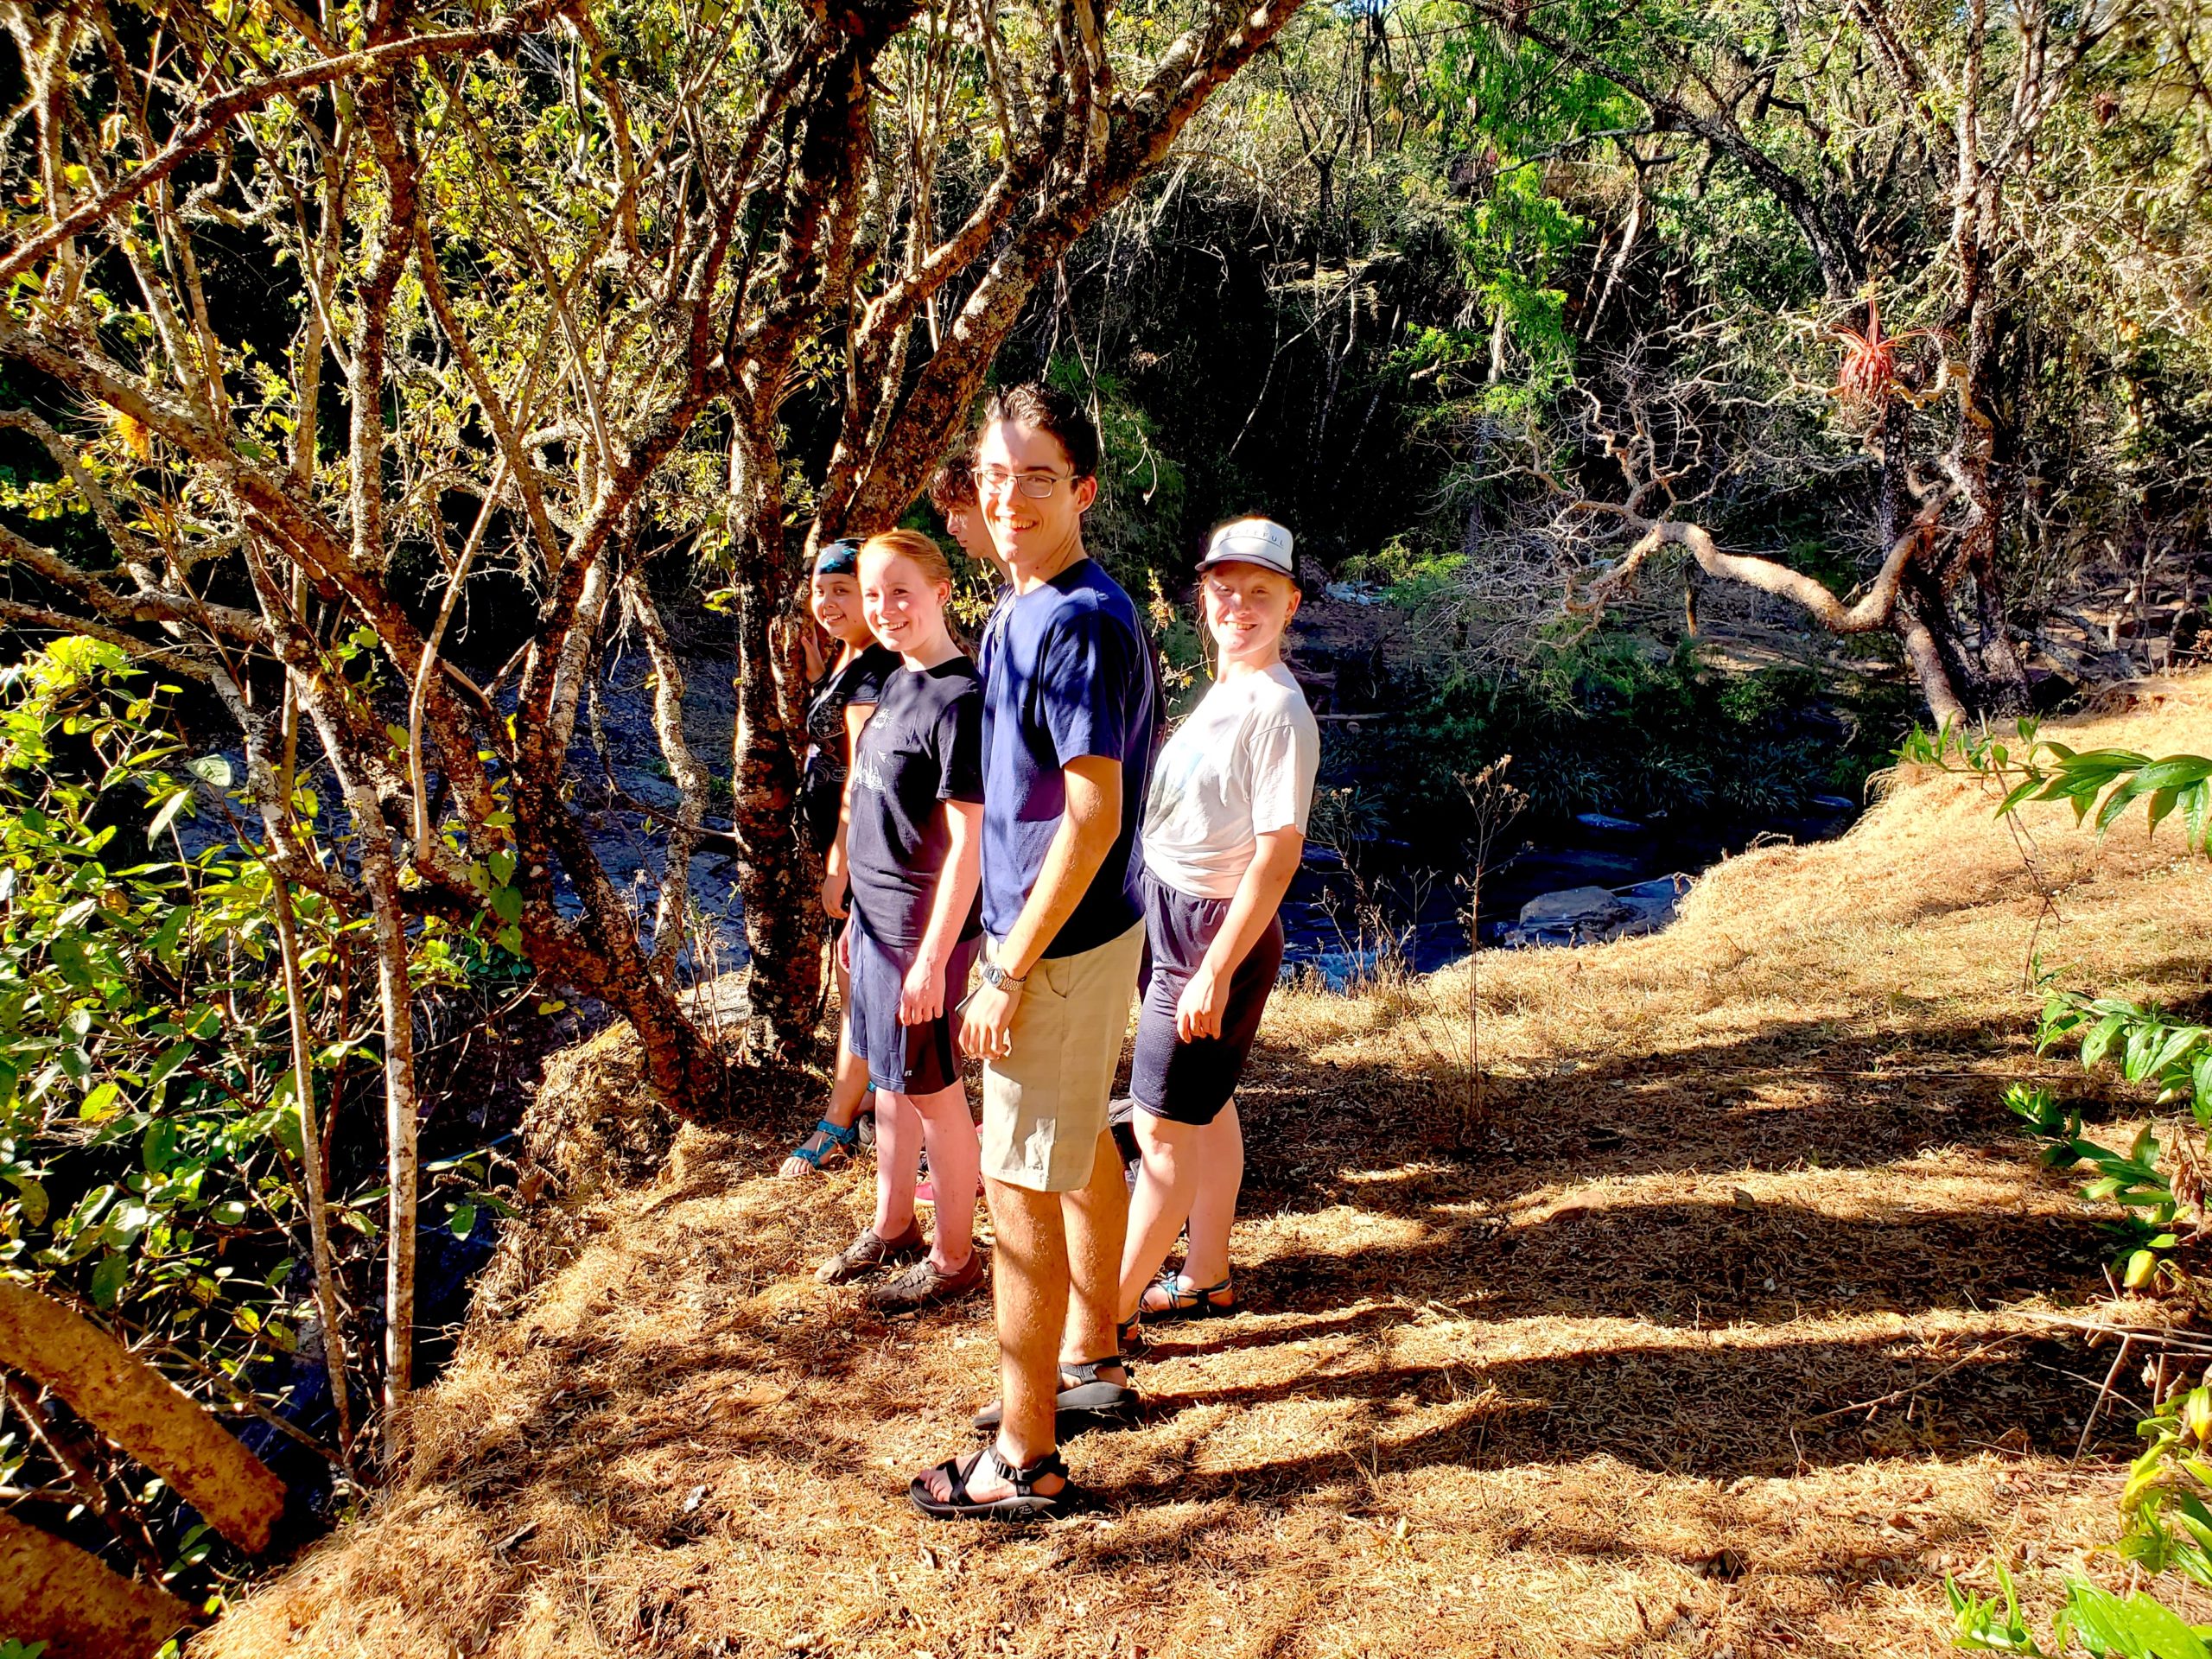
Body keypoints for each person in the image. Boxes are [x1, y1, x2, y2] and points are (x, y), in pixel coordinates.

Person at [908, 383, 1159, 1522]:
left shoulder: (1078, 623)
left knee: (1017, 1192)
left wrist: (1005, 964)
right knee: (1079, 1151)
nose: (1010, 496)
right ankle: (1093, 1358)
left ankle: (1026, 1455)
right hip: (1083, 937)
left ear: (1085, 490)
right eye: (996, 475)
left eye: (1039, 477)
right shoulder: (1025, 605)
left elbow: (1092, 816)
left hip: (1055, 952)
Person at [1116, 518, 1317, 1341]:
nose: (1240, 604)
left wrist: (1211, 972)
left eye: (1260, 592)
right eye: (1225, 588)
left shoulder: (1278, 709)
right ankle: (1206, 1277)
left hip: (1211, 936)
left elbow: (1277, 860)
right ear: (1203, 595)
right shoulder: (1226, 688)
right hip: (1168, 915)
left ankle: (1101, 1317)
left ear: (1291, 603)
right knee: (1205, 1105)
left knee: (1158, 1127)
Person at [814, 531, 989, 1309]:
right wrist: (856, 909)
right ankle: (894, 1228)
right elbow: (881, 810)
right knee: (890, 1083)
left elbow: (967, 846)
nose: (885, 609)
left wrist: (929, 959)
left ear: (943, 591)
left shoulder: (960, 701)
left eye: (901, 591)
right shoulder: (895, 682)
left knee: (934, 1091)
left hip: (928, 934)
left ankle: (957, 1260)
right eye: (873, 594)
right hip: (879, 923)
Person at [780, 542, 899, 1179]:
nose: (827, 604)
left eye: (843, 592)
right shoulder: (847, 661)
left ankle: (838, 1120)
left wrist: (838, 865)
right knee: (857, 984)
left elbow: (861, 776)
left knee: (856, 994)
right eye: (820, 591)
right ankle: (877, 1094)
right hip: (845, 852)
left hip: (859, 856)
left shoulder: (875, 671)